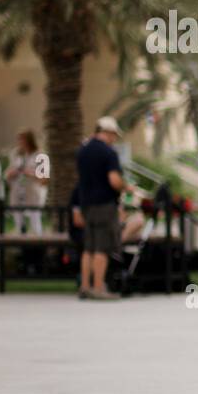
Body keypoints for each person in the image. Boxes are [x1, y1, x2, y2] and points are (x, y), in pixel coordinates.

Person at [76, 117, 128, 300]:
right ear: (109, 133)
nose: (114, 139)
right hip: (105, 204)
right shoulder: (108, 152)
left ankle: (84, 286)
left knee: (88, 248)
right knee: (102, 248)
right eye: (114, 135)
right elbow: (113, 180)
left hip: (86, 205)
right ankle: (98, 288)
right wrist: (125, 187)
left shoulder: (82, 150)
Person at [7, 129, 49, 235]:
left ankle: (37, 245)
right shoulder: (16, 154)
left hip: (33, 193)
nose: (20, 143)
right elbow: (8, 173)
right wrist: (12, 173)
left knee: (35, 220)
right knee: (18, 220)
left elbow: (45, 179)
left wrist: (31, 173)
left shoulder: (41, 155)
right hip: (18, 192)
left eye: (22, 140)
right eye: (19, 140)